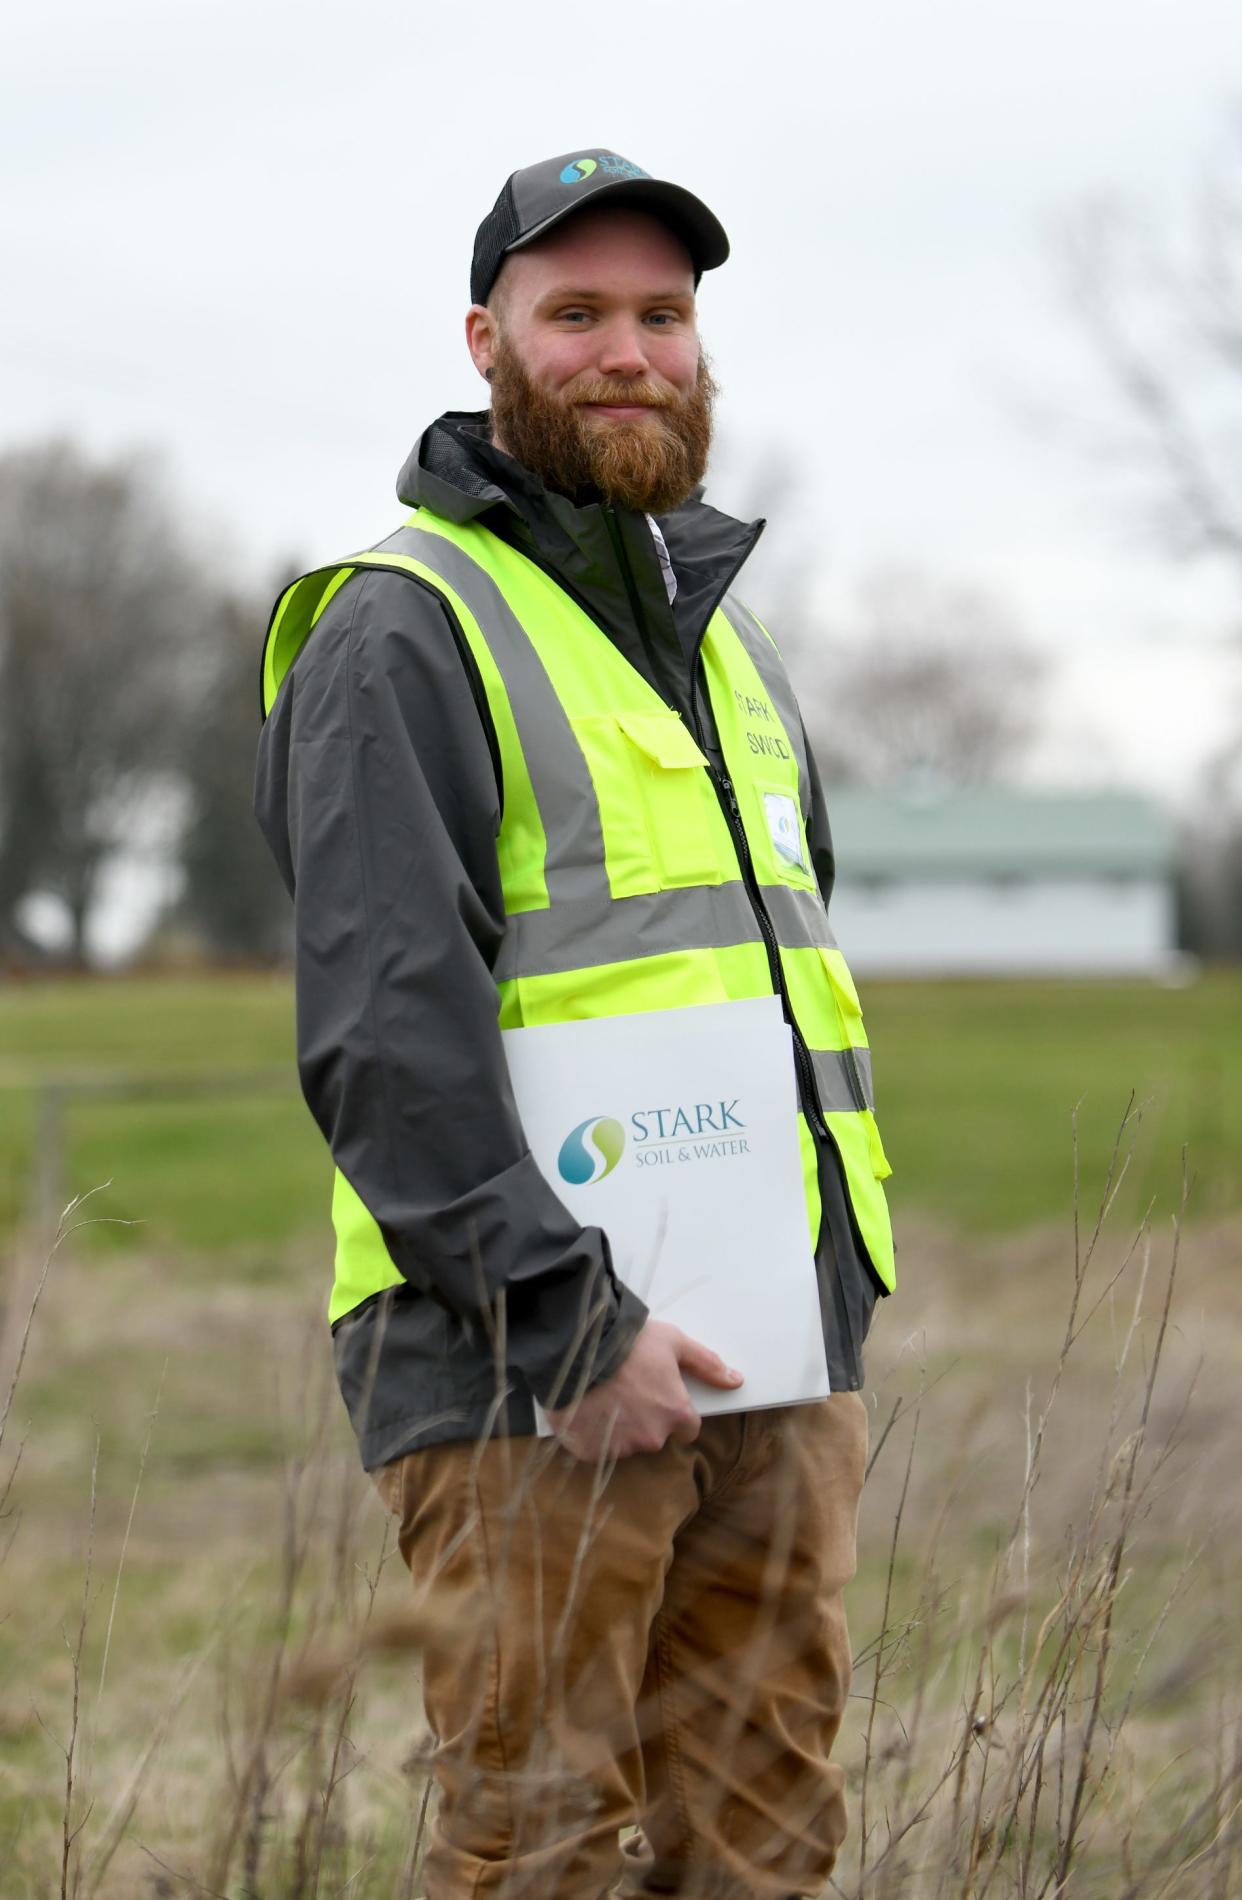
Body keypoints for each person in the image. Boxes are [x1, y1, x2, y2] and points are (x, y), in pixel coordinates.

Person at [254, 147, 896, 1900]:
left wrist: (826, 1301)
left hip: (767, 1348)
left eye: (665, 316)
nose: (631, 351)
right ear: (486, 341)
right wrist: (562, 1319)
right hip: (520, 1365)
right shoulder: (402, 629)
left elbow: (778, 979)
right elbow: (388, 1030)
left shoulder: (728, 646)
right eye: (578, 314)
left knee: (763, 1829)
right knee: (533, 1839)